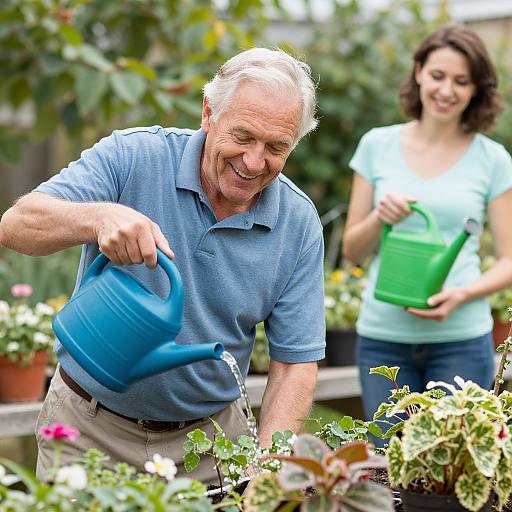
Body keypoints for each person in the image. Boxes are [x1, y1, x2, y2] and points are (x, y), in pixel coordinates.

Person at [0, 48, 326, 481]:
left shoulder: (298, 222)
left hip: (212, 447)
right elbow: (17, 225)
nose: (253, 161)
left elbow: (294, 364)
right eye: (243, 136)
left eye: (276, 147)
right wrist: (99, 217)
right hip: (87, 431)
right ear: (209, 113)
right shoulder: (133, 156)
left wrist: (270, 468)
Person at [342, 24, 512, 428]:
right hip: (383, 341)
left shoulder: (492, 159)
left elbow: (510, 259)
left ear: (476, 90)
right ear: (418, 71)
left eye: (461, 81)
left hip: (461, 340)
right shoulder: (376, 146)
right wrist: (378, 218)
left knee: (450, 474)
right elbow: (352, 250)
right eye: (438, 76)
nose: (446, 91)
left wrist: (463, 294)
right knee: (388, 466)